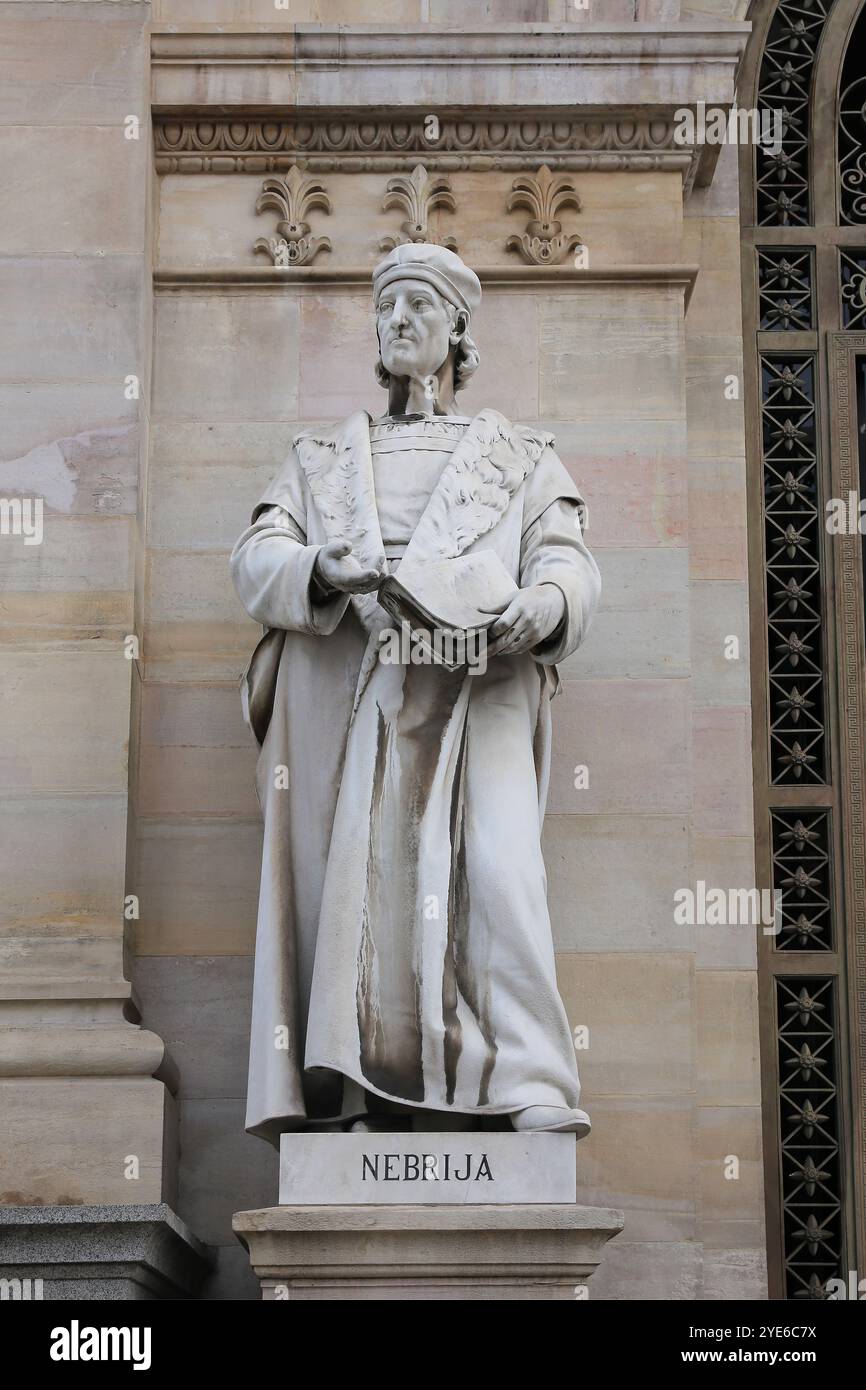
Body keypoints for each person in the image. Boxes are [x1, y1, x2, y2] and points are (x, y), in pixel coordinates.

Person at [231, 242, 601, 1142]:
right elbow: (256, 558)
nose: (397, 321)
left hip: (480, 689)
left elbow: (568, 565)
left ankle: (527, 1080)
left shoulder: (520, 456)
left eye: (417, 307)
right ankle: (367, 1098)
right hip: (359, 689)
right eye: (385, 307)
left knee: (503, 875)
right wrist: (320, 566)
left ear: (456, 330)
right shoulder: (321, 459)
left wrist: (543, 603)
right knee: (362, 891)